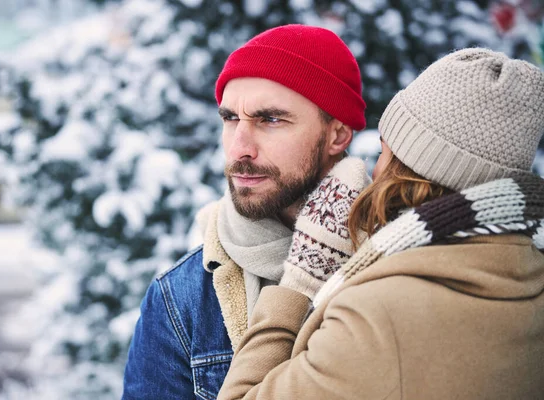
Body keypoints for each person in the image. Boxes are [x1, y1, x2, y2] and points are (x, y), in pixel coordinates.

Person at [217, 48, 544, 400]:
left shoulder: (376, 313)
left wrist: (300, 281)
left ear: (412, 170)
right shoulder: (530, 273)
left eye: (382, 152)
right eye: (230, 118)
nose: (373, 172)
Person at [121, 24, 370, 400]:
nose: (240, 147)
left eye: (270, 119)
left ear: (337, 134)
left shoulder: (396, 259)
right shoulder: (182, 298)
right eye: (230, 118)